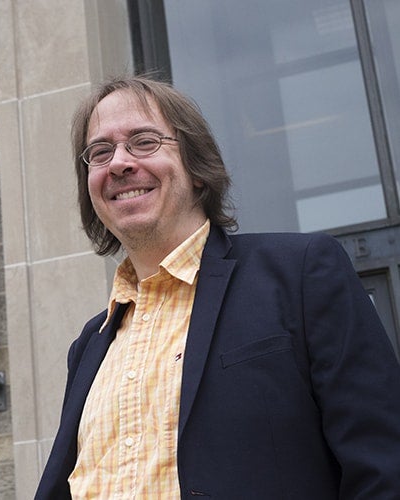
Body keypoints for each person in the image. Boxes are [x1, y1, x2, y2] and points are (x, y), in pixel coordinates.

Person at [34, 75, 400, 499]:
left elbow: (383, 467)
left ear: (197, 170)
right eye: (100, 152)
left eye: (144, 141)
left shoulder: (299, 274)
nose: (119, 163)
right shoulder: (89, 346)